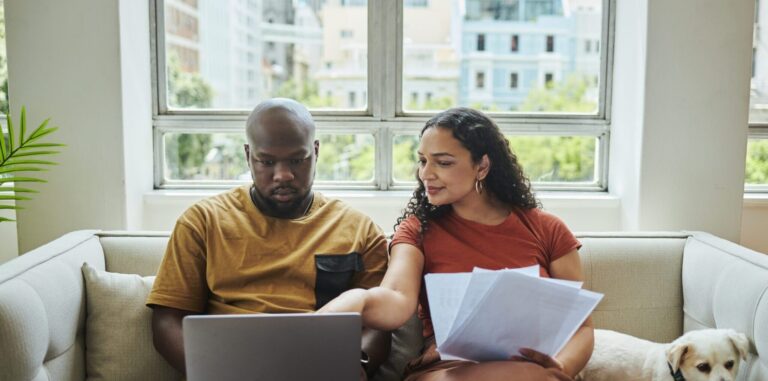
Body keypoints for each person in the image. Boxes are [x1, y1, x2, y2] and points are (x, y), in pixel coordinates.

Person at [319, 107, 593, 381]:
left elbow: (580, 326)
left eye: (443, 162)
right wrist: (357, 300)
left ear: (482, 166)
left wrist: (561, 367)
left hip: (530, 371)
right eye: (423, 161)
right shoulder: (417, 230)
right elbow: (397, 298)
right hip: (447, 371)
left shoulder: (548, 229)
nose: (426, 173)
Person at [146, 98, 390, 380]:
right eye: (267, 161)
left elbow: (378, 325)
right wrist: (215, 373)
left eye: (297, 160)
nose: (283, 175)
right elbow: (167, 320)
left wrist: (356, 366)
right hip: (229, 370)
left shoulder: (360, 231)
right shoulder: (203, 222)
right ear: (248, 155)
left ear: (316, 151)